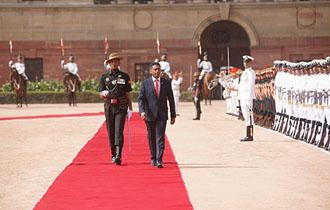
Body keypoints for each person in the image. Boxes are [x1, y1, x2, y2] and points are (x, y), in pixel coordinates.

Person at [138, 62, 176, 168]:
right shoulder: (145, 84)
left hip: (162, 115)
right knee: (151, 137)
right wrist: (142, 112)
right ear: (150, 71)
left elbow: (171, 100)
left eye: (159, 69)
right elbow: (141, 99)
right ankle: (153, 158)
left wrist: (173, 115)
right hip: (149, 114)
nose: (157, 71)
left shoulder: (166, 83)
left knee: (160, 137)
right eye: (155, 69)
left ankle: (159, 159)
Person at [98, 53, 133, 165]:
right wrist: (104, 94)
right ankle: (113, 154)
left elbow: (128, 94)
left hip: (121, 106)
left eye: (116, 61)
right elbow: (100, 93)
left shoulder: (124, 76)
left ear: (119, 63)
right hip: (109, 107)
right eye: (112, 62)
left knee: (118, 130)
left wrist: (131, 108)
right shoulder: (104, 77)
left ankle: (118, 155)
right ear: (109, 63)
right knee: (111, 131)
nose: (114, 63)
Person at [230, 55, 256, 141]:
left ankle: (250, 135)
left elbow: (251, 85)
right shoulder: (244, 72)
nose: (245, 64)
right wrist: (230, 84)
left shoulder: (250, 72)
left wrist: (249, 97)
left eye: (247, 62)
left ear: (250, 63)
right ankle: (248, 134)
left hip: (247, 97)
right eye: (244, 62)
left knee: (249, 115)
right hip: (242, 96)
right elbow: (241, 86)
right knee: (245, 115)